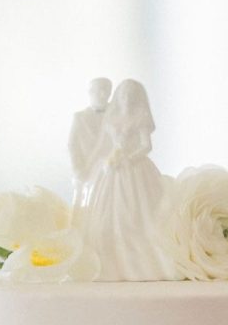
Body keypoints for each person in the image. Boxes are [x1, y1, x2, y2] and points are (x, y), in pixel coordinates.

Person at [85, 79, 179, 280]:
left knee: (138, 213)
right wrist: (107, 161)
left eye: (131, 95)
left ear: (137, 98)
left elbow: (146, 146)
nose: (126, 99)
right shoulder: (112, 119)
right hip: (113, 170)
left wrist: (129, 158)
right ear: (119, 97)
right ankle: (111, 261)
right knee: (110, 214)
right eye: (123, 95)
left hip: (135, 169)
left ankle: (142, 261)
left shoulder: (140, 117)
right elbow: (104, 145)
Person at [68, 77, 112, 210]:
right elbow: (72, 145)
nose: (103, 94)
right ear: (90, 92)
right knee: (83, 210)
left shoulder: (117, 114)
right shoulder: (80, 117)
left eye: (106, 90)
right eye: (99, 90)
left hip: (111, 171)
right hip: (88, 168)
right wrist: (78, 169)